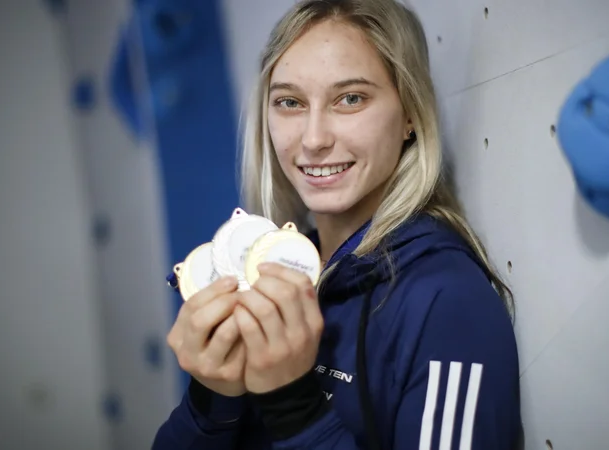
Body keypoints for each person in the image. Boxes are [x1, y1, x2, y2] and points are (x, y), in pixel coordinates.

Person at [152, 0, 522, 448]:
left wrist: (294, 404)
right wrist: (212, 400)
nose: (313, 139)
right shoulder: (274, 274)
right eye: (289, 102)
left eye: (350, 99)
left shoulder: (446, 301)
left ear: (410, 114)